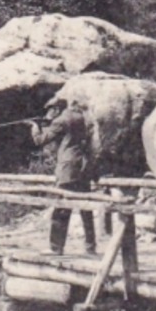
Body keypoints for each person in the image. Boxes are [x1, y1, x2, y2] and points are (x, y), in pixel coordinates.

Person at [33, 97, 97, 255]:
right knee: (85, 209)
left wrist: (35, 127)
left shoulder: (61, 121)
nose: (49, 113)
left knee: (61, 209)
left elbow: (40, 141)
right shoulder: (82, 117)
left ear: (56, 109)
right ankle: (90, 246)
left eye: (51, 110)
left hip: (68, 169)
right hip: (83, 167)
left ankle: (56, 248)